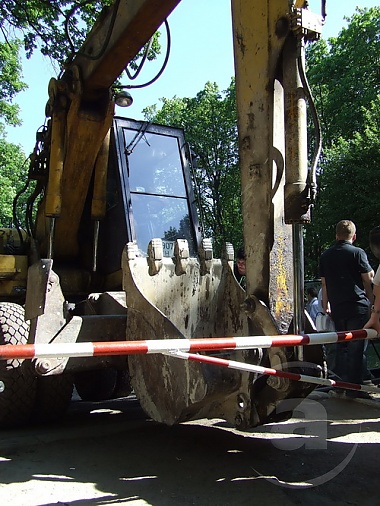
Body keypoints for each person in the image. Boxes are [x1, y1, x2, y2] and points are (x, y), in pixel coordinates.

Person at [319, 220, 374, 397]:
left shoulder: (325, 256)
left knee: (342, 346)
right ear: (354, 236)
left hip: (337, 307)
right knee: (357, 347)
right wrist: (373, 302)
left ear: (336, 236)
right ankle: (355, 387)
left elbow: (325, 284)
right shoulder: (358, 253)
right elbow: (367, 280)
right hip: (357, 306)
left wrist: (325, 304)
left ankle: (341, 383)